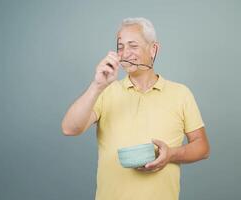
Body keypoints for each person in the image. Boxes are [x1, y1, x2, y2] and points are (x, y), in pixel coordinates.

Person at [61, 17, 210, 200]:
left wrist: (171, 154)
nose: (125, 53)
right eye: (120, 46)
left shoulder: (181, 94)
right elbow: (69, 128)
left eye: (133, 45)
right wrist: (97, 85)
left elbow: (202, 147)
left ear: (153, 49)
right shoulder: (105, 91)